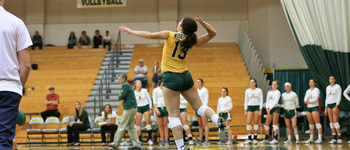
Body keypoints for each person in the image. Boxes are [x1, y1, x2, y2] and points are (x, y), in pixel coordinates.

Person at [119, 17, 227, 150]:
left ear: (181, 27)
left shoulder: (170, 35)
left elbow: (149, 35)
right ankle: (217, 120)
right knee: (199, 107)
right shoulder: (192, 41)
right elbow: (213, 33)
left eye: (180, 22)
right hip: (185, 76)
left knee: (174, 116)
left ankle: (181, 147)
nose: (178, 23)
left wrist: (131, 31)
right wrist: (204, 24)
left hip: (171, 78)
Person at [0, 1, 32, 149]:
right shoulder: (16, 22)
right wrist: (18, 87)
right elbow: (25, 64)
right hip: (9, 88)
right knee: (4, 140)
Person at [108, 74, 141, 149]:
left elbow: (121, 96)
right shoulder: (127, 85)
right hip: (132, 107)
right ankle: (137, 144)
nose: (118, 80)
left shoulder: (125, 85)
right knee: (131, 127)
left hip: (129, 108)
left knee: (122, 125)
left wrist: (119, 95)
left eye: (119, 79)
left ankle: (116, 143)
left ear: (123, 79)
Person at [133, 80, 153, 145]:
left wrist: (150, 108)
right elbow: (133, 103)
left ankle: (149, 139)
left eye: (140, 83)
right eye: (139, 83)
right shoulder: (134, 92)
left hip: (146, 106)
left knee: (148, 123)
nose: (140, 84)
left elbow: (149, 99)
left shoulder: (144, 90)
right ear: (135, 84)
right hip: (138, 108)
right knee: (137, 124)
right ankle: (139, 139)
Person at [244, 78, 263, 145]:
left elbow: (261, 101)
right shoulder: (247, 91)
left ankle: (255, 138)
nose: (252, 84)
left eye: (253, 82)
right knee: (248, 122)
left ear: (255, 83)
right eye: (250, 82)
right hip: (250, 107)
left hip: (256, 107)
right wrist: (245, 110)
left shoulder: (259, 90)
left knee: (256, 122)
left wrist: (260, 110)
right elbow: (246, 101)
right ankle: (249, 138)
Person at [304, 79, 322, 144]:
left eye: (312, 82)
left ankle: (320, 138)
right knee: (311, 124)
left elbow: (315, 99)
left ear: (315, 83)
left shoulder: (317, 90)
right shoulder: (307, 91)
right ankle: (311, 138)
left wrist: (308, 101)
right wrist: (308, 101)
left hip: (315, 107)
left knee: (317, 123)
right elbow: (304, 100)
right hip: (309, 108)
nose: (311, 83)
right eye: (310, 82)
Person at [325, 76, 342, 144]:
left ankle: (339, 137)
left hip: (335, 104)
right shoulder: (327, 87)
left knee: (335, 122)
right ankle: (334, 137)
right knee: (331, 122)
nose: (331, 80)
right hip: (329, 105)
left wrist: (337, 106)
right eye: (330, 79)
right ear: (329, 80)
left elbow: (339, 96)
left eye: (332, 79)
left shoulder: (338, 87)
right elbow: (327, 97)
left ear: (335, 80)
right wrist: (326, 107)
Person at [153, 81, 169, 146]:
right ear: (160, 83)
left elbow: (168, 99)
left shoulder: (167, 90)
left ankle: (166, 139)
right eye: (163, 83)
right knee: (160, 125)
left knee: (165, 125)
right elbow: (154, 100)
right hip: (159, 108)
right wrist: (156, 109)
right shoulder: (155, 90)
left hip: (165, 108)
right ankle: (162, 139)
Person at [196, 79, 210, 145]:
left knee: (205, 124)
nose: (198, 83)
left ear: (202, 83)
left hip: (203, 108)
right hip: (197, 108)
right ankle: (200, 139)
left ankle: (207, 140)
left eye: (199, 82)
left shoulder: (205, 90)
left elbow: (206, 100)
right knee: (200, 125)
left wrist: (204, 109)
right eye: (197, 82)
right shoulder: (196, 90)